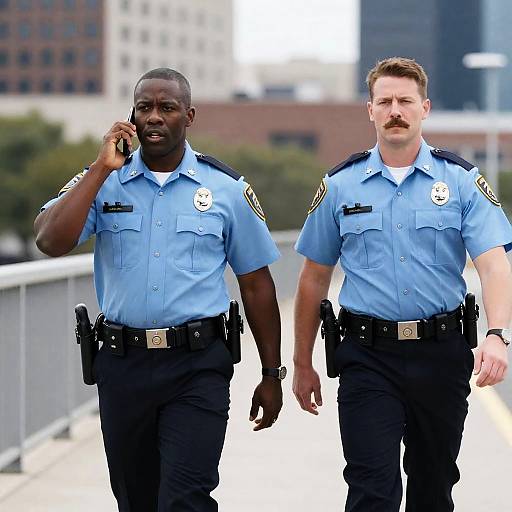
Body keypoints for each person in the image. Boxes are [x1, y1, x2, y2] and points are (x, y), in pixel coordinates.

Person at [34, 68, 285, 512]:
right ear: (131, 116)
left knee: (186, 497)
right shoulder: (104, 180)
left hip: (198, 365)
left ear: (188, 116)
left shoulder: (225, 189)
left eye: (166, 108)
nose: (154, 117)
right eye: (144, 108)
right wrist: (100, 168)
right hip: (122, 365)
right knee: (136, 499)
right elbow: (50, 241)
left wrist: (271, 374)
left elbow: (257, 285)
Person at [292, 57, 512, 511]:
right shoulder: (340, 186)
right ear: (369, 110)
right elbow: (313, 279)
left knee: (433, 490)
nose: (395, 109)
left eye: (405, 101)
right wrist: (301, 362)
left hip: (442, 354)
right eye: (385, 101)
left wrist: (497, 335)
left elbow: (493, 264)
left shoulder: (461, 182)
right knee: (371, 489)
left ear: (424, 108)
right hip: (367, 357)